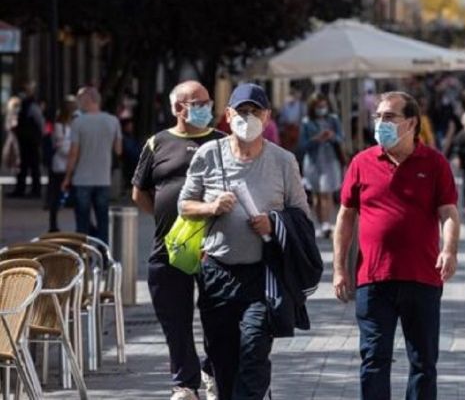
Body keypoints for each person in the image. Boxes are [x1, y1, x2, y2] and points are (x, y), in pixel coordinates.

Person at [179, 83, 309, 400]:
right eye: (241, 111)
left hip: (262, 275)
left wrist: (274, 221)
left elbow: (302, 216)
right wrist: (210, 207)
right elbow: (185, 205)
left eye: (255, 111)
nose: (247, 117)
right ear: (228, 115)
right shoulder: (208, 155)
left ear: (267, 117)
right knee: (222, 357)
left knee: (253, 348)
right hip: (217, 273)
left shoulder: (283, 161)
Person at [333, 91, 460, 400]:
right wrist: (338, 269)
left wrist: (449, 249)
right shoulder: (362, 162)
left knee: (423, 362)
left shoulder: (434, 162)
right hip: (374, 279)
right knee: (374, 360)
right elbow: (345, 216)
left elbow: (448, 212)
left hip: (422, 278)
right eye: (378, 117)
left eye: (389, 117)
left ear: (411, 123)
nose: (380, 123)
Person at [132, 80, 223, 400]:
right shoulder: (157, 143)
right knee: (174, 318)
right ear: (177, 109)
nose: (204, 107)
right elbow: (140, 192)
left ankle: (213, 371)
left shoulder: (222, 142)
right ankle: (185, 383)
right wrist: (165, 218)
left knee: (218, 317)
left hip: (216, 249)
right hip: (168, 248)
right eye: (196, 102)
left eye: (206, 101)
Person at [62, 87, 121, 243]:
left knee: (82, 224)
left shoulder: (78, 122)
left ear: (88, 100)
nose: (78, 104)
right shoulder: (113, 121)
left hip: (82, 179)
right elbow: (118, 150)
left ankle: (84, 256)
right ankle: (104, 257)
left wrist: (67, 177)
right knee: (103, 222)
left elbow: (73, 153)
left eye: (80, 100)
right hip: (103, 179)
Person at [299, 93, 344, 238]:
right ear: (313, 107)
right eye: (318, 106)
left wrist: (332, 137)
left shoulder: (333, 120)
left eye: (323, 106)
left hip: (330, 160)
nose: (321, 109)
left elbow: (341, 137)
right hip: (313, 162)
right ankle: (320, 224)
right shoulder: (306, 122)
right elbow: (302, 146)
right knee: (317, 194)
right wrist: (316, 139)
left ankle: (326, 223)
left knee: (326, 192)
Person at [48, 96, 77, 232]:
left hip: (73, 165)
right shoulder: (59, 126)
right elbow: (60, 146)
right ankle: (53, 224)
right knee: (55, 195)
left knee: (79, 197)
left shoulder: (75, 124)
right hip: (60, 166)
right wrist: (73, 150)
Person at [11, 81, 45, 198]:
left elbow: (40, 122)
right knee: (24, 165)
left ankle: (35, 190)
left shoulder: (32, 105)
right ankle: (21, 189)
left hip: (31, 140)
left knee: (33, 165)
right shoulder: (24, 105)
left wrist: (40, 136)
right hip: (25, 139)